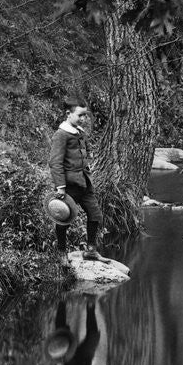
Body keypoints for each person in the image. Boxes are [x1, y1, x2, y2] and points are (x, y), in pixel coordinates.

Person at [48, 96, 104, 265]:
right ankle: (62, 253)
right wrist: (60, 187)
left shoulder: (79, 132)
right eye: (80, 115)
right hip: (70, 185)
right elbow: (55, 162)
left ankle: (91, 251)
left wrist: (88, 166)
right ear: (68, 113)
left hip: (85, 183)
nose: (83, 119)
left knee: (95, 214)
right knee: (64, 219)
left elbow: (84, 150)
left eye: (85, 115)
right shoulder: (61, 134)